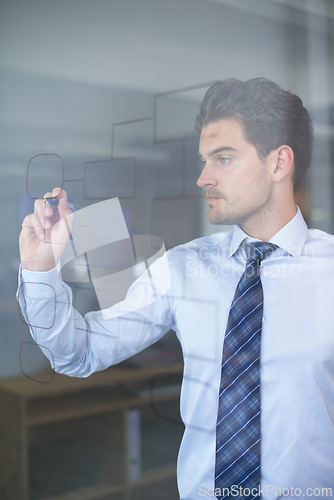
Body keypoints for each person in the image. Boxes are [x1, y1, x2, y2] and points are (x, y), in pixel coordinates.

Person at [18, 78, 334, 499]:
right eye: (203, 160)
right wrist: (41, 271)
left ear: (278, 163)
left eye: (222, 159)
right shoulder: (183, 267)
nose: (203, 177)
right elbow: (79, 352)